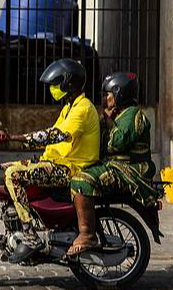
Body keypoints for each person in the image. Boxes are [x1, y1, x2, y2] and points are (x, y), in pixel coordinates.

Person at [0, 58, 100, 263]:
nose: (53, 89)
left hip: (69, 169)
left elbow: (53, 136)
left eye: (56, 85)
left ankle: (30, 236)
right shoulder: (69, 107)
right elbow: (49, 141)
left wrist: (12, 138)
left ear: (68, 84)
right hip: (57, 163)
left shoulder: (82, 109)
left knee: (14, 175)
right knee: (1, 169)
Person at [67, 72, 160, 256]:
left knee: (81, 179)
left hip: (129, 169)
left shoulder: (133, 115)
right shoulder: (119, 115)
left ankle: (87, 234)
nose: (104, 99)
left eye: (107, 94)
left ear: (119, 94)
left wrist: (108, 120)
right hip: (115, 166)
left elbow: (117, 142)